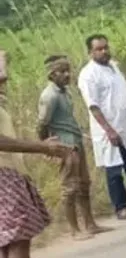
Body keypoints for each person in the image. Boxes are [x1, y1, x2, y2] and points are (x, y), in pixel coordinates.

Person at [0, 114, 72, 258]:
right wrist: (41, 147)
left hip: (6, 172)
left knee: (6, 243)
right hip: (4, 175)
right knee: (17, 239)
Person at [78, 34, 126, 220]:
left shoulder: (113, 67)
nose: (104, 51)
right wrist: (109, 130)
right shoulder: (88, 75)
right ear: (90, 52)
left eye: (105, 47)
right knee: (114, 169)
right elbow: (93, 105)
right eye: (99, 49)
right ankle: (120, 207)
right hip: (108, 128)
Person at [38, 56, 106, 241]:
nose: (67, 74)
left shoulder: (65, 92)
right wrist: (45, 146)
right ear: (52, 74)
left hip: (75, 140)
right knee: (70, 188)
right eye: (62, 71)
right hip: (64, 145)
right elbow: (42, 123)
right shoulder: (49, 96)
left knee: (84, 184)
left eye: (68, 70)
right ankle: (74, 230)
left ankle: (90, 224)